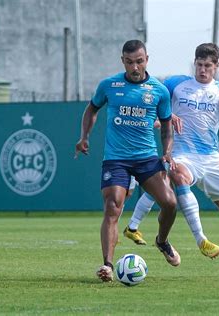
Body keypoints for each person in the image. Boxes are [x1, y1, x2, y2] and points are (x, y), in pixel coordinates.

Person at [124, 43, 219, 277]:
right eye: (199, 64)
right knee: (177, 175)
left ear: (216, 67)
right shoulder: (176, 84)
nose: (202, 70)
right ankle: (201, 239)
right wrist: (166, 117)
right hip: (182, 155)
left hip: (211, 159)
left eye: (207, 66)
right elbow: (151, 102)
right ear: (195, 63)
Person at [74, 39, 180, 282]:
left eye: (139, 61)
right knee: (113, 206)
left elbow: (166, 127)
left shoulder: (159, 90)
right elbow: (92, 109)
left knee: (170, 202)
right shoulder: (109, 85)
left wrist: (167, 152)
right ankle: (108, 266)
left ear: (147, 60)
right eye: (130, 62)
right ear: (123, 61)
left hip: (146, 159)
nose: (135, 67)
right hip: (116, 159)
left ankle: (162, 241)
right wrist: (84, 137)